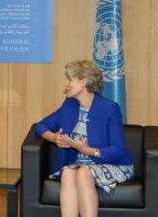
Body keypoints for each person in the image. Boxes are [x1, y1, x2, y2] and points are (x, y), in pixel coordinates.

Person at [34, 60, 134, 217]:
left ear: (84, 81)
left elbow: (118, 149)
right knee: (67, 173)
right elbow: (40, 126)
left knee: (82, 173)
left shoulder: (109, 109)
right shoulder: (69, 105)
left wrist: (89, 151)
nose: (67, 83)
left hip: (110, 163)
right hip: (79, 164)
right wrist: (54, 138)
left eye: (70, 79)